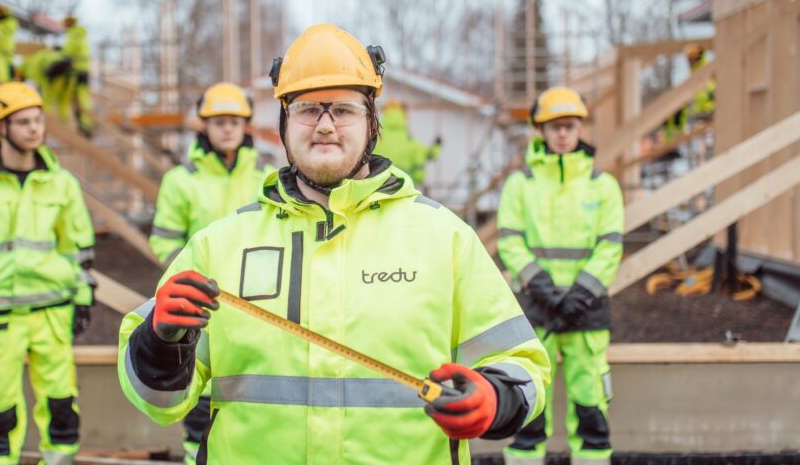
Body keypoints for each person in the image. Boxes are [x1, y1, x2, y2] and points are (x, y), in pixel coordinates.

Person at [117, 24, 551, 463]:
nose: (325, 126)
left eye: (343, 109)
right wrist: (160, 343)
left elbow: (524, 363)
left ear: (371, 122)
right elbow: (158, 403)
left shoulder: (444, 239)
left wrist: (497, 398)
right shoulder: (218, 246)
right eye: (308, 109)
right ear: (284, 124)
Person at [0, 81, 96, 465]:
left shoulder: (62, 183)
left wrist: (84, 301)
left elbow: (79, 250)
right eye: (23, 121)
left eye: (38, 120)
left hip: (52, 312)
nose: (34, 129)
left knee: (61, 405)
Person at [147, 81, 274, 462]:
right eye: (219, 121)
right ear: (204, 126)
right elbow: (164, 241)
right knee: (200, 407)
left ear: (246, 124)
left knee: (254, 398)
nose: (227, 129)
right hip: (200, 306)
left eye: (234, 121)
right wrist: (194, 280)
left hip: (259, 302)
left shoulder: (268, 177)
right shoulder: (180, 181)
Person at [497, 86, 624, 465]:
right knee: (530, 400)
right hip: (538, 311)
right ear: (541, 130)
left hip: (587, 311)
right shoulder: (522, 185)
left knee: (591, 405)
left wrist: (579, 295)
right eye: (555, 127)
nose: (563, 134)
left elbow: (610, 245)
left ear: (579, 127)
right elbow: (510, 241)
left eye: (569, 126)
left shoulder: (603, 186)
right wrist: (543, 289)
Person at [373, 100, 440, 186]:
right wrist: (437, 146)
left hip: (379, 183)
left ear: (385, 113)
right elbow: (428, 153)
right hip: (403, 184)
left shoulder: (377, 137)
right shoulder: (408, 139)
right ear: (403, 114)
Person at [663, 44, 716, 141]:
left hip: (710, 110)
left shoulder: (705, 68)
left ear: (698, 56)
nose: (690, 60)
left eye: (692, 57)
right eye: (689, 58)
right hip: (701, 112)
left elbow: (711, 88)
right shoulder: (695, 71)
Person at [61, 16, 95, 137]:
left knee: (71, 99)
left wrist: (60, 55)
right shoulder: (79, 35)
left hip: (76, 73)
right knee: (82, 99)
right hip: (82, 72)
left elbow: (68, 53)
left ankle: (81, 125)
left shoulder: (73, 36)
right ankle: (85, 125)